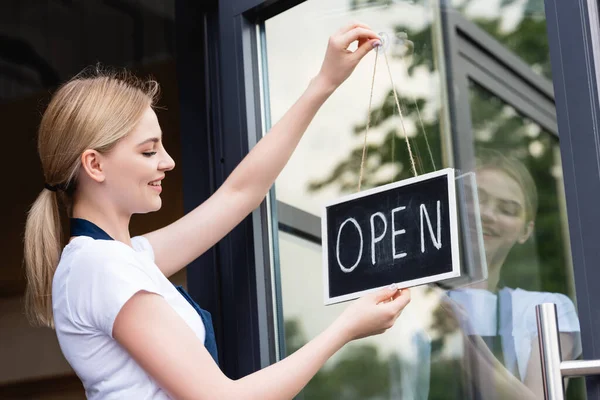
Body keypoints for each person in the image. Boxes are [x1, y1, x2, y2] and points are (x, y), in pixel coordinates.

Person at [23, 23, 411, 400]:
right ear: (95, 165)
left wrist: (324, 82)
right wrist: (345, 328)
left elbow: (239, 194)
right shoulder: (101, 267)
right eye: (148, 150)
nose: (168, 162)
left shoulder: (122, 259)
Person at [444, 150, 581, 399]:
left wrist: (459, 336)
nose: (487, 214)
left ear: (525, 232)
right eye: (473, 197)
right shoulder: (410, 296)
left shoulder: (546, 309)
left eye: (507, 210)